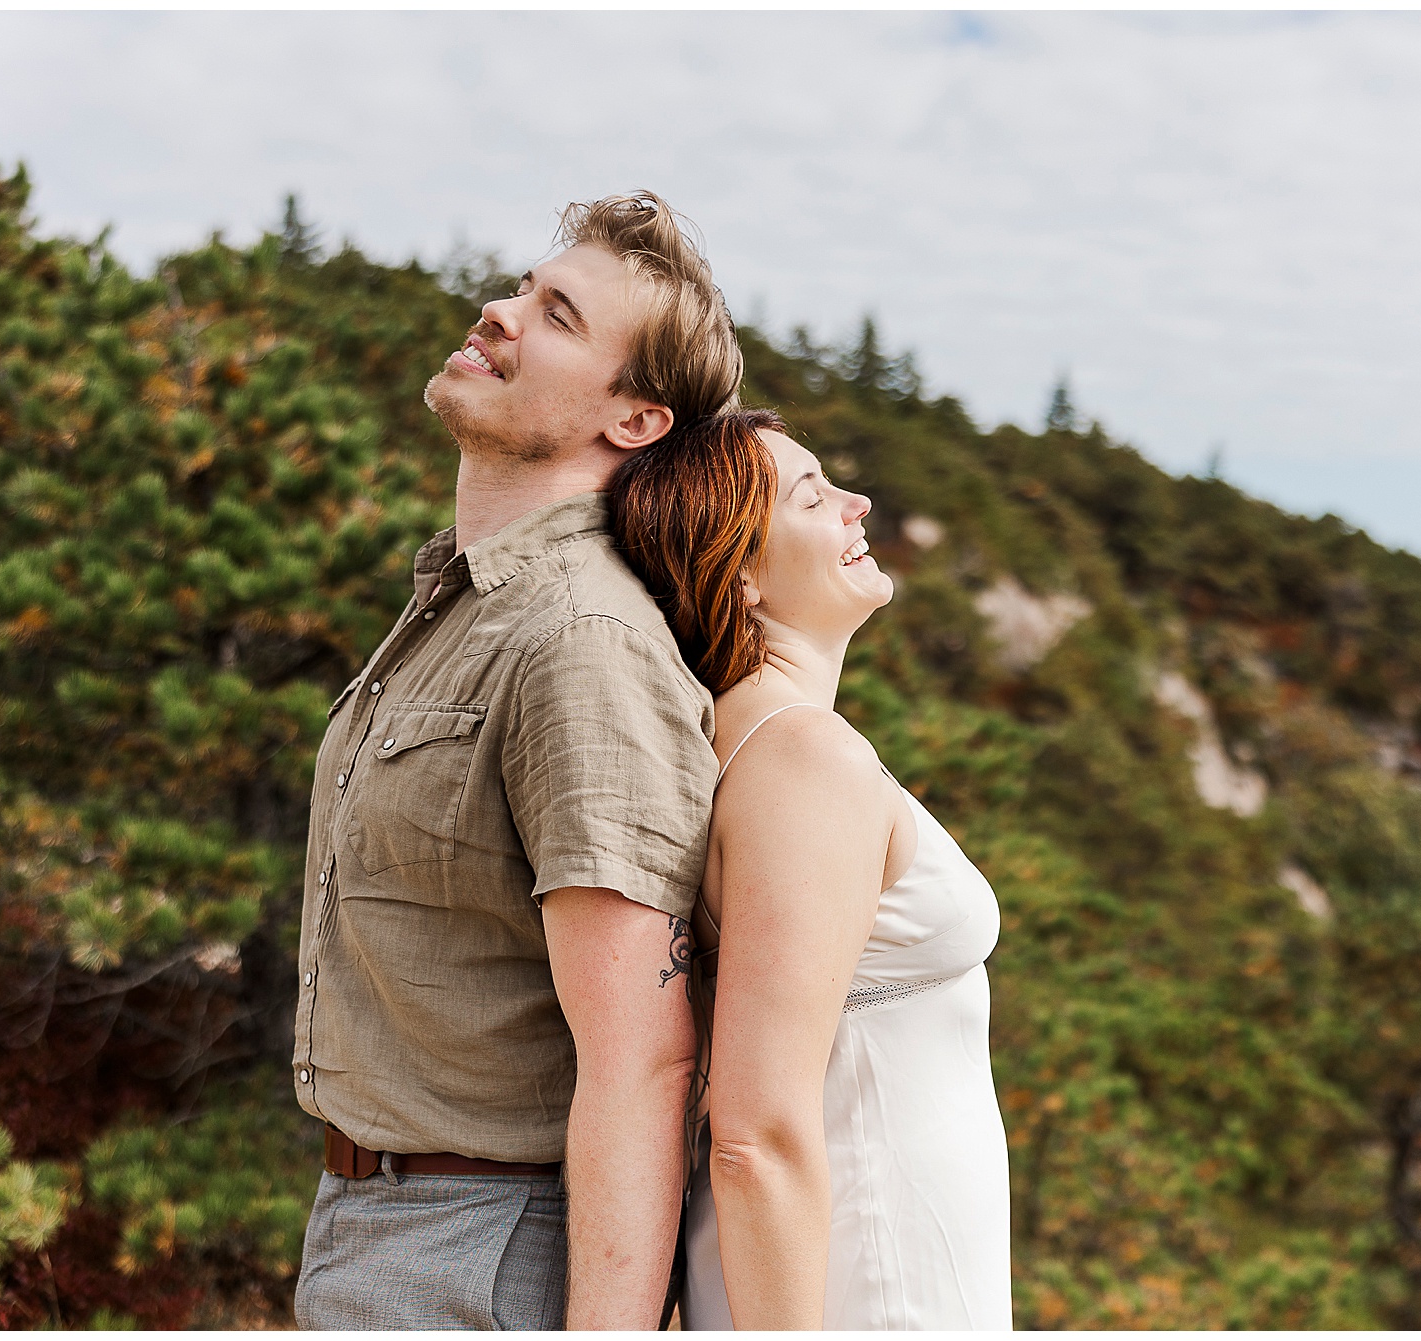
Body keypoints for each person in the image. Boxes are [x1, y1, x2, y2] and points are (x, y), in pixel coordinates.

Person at [291, 192, 741, 1330]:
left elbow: (644, 1060)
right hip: (383, 1226)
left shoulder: (580, 642)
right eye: (517, 289)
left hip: (482, 1259)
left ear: (635, 421)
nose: (497, 312)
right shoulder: (462, 605)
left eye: (556, 314)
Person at [606, 409, 1014, 1329]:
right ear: (741, 571)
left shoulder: (752, 744)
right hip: (870, 1293)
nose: (856, 503)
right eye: (811, 494)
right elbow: (755, 1132)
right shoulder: (800, 760)